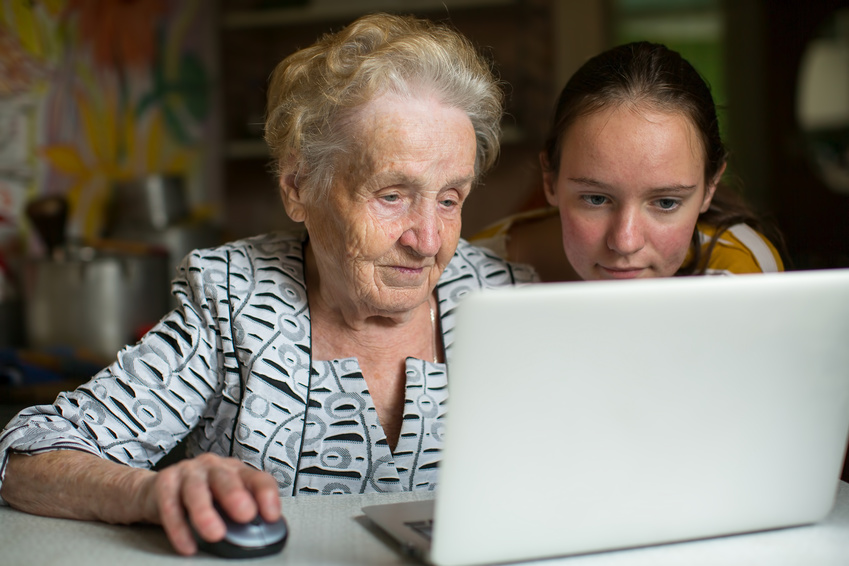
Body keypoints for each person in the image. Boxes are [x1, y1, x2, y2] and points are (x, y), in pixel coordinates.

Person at [0, 13, 534, 556]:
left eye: (449, 199)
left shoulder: (507, 302)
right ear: (299, 187)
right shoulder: (231, 299)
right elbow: (27, 456)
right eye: (392, 195)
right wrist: (151, 490)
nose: (427, 240)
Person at [473, 41, 785, 281]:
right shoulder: (467, 275)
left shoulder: (738, 276)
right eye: (596, 199)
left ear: (709, 188)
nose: (625, 242)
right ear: (549, 181)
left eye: (665, 203)